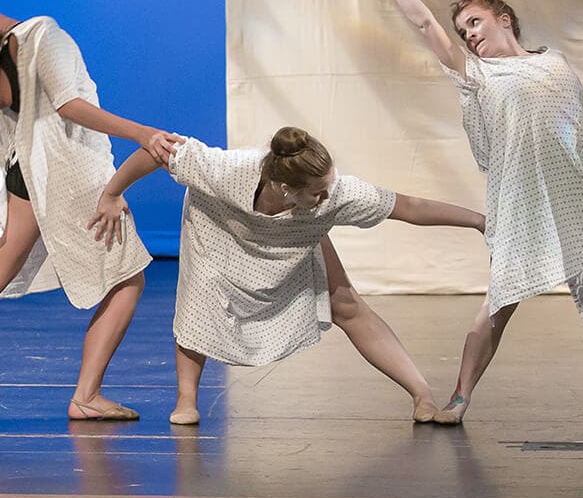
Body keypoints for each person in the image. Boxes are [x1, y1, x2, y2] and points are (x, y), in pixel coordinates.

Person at [377, 0, 583, 426]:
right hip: (523, 200)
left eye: (475, 23)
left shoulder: (554, 60)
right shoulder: (475, 74)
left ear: (504, 20)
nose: (469, 35)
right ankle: (458, 397)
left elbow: (578, 129)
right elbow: (423, 27)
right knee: (499, 303)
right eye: (463, 31)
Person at [0, 0, 181, 422]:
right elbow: (70, 106)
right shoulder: (41, 32)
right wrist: (144, 133)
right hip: (71, 172)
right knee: (127, 279)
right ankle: (86, 395)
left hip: (23, 175)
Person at [91, 126, 486, 424]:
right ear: (284, 186)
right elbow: (158, 150)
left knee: (345, 303)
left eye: (328, 186)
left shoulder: (333, 195)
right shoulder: (228, 169)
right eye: (318, 192)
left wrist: (478, 221)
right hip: (219, 228)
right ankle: (186, 400)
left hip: (294, 237)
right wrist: (111, 194)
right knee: (202, 300)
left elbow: (410, 207)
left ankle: (420, 394)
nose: (328, 196)